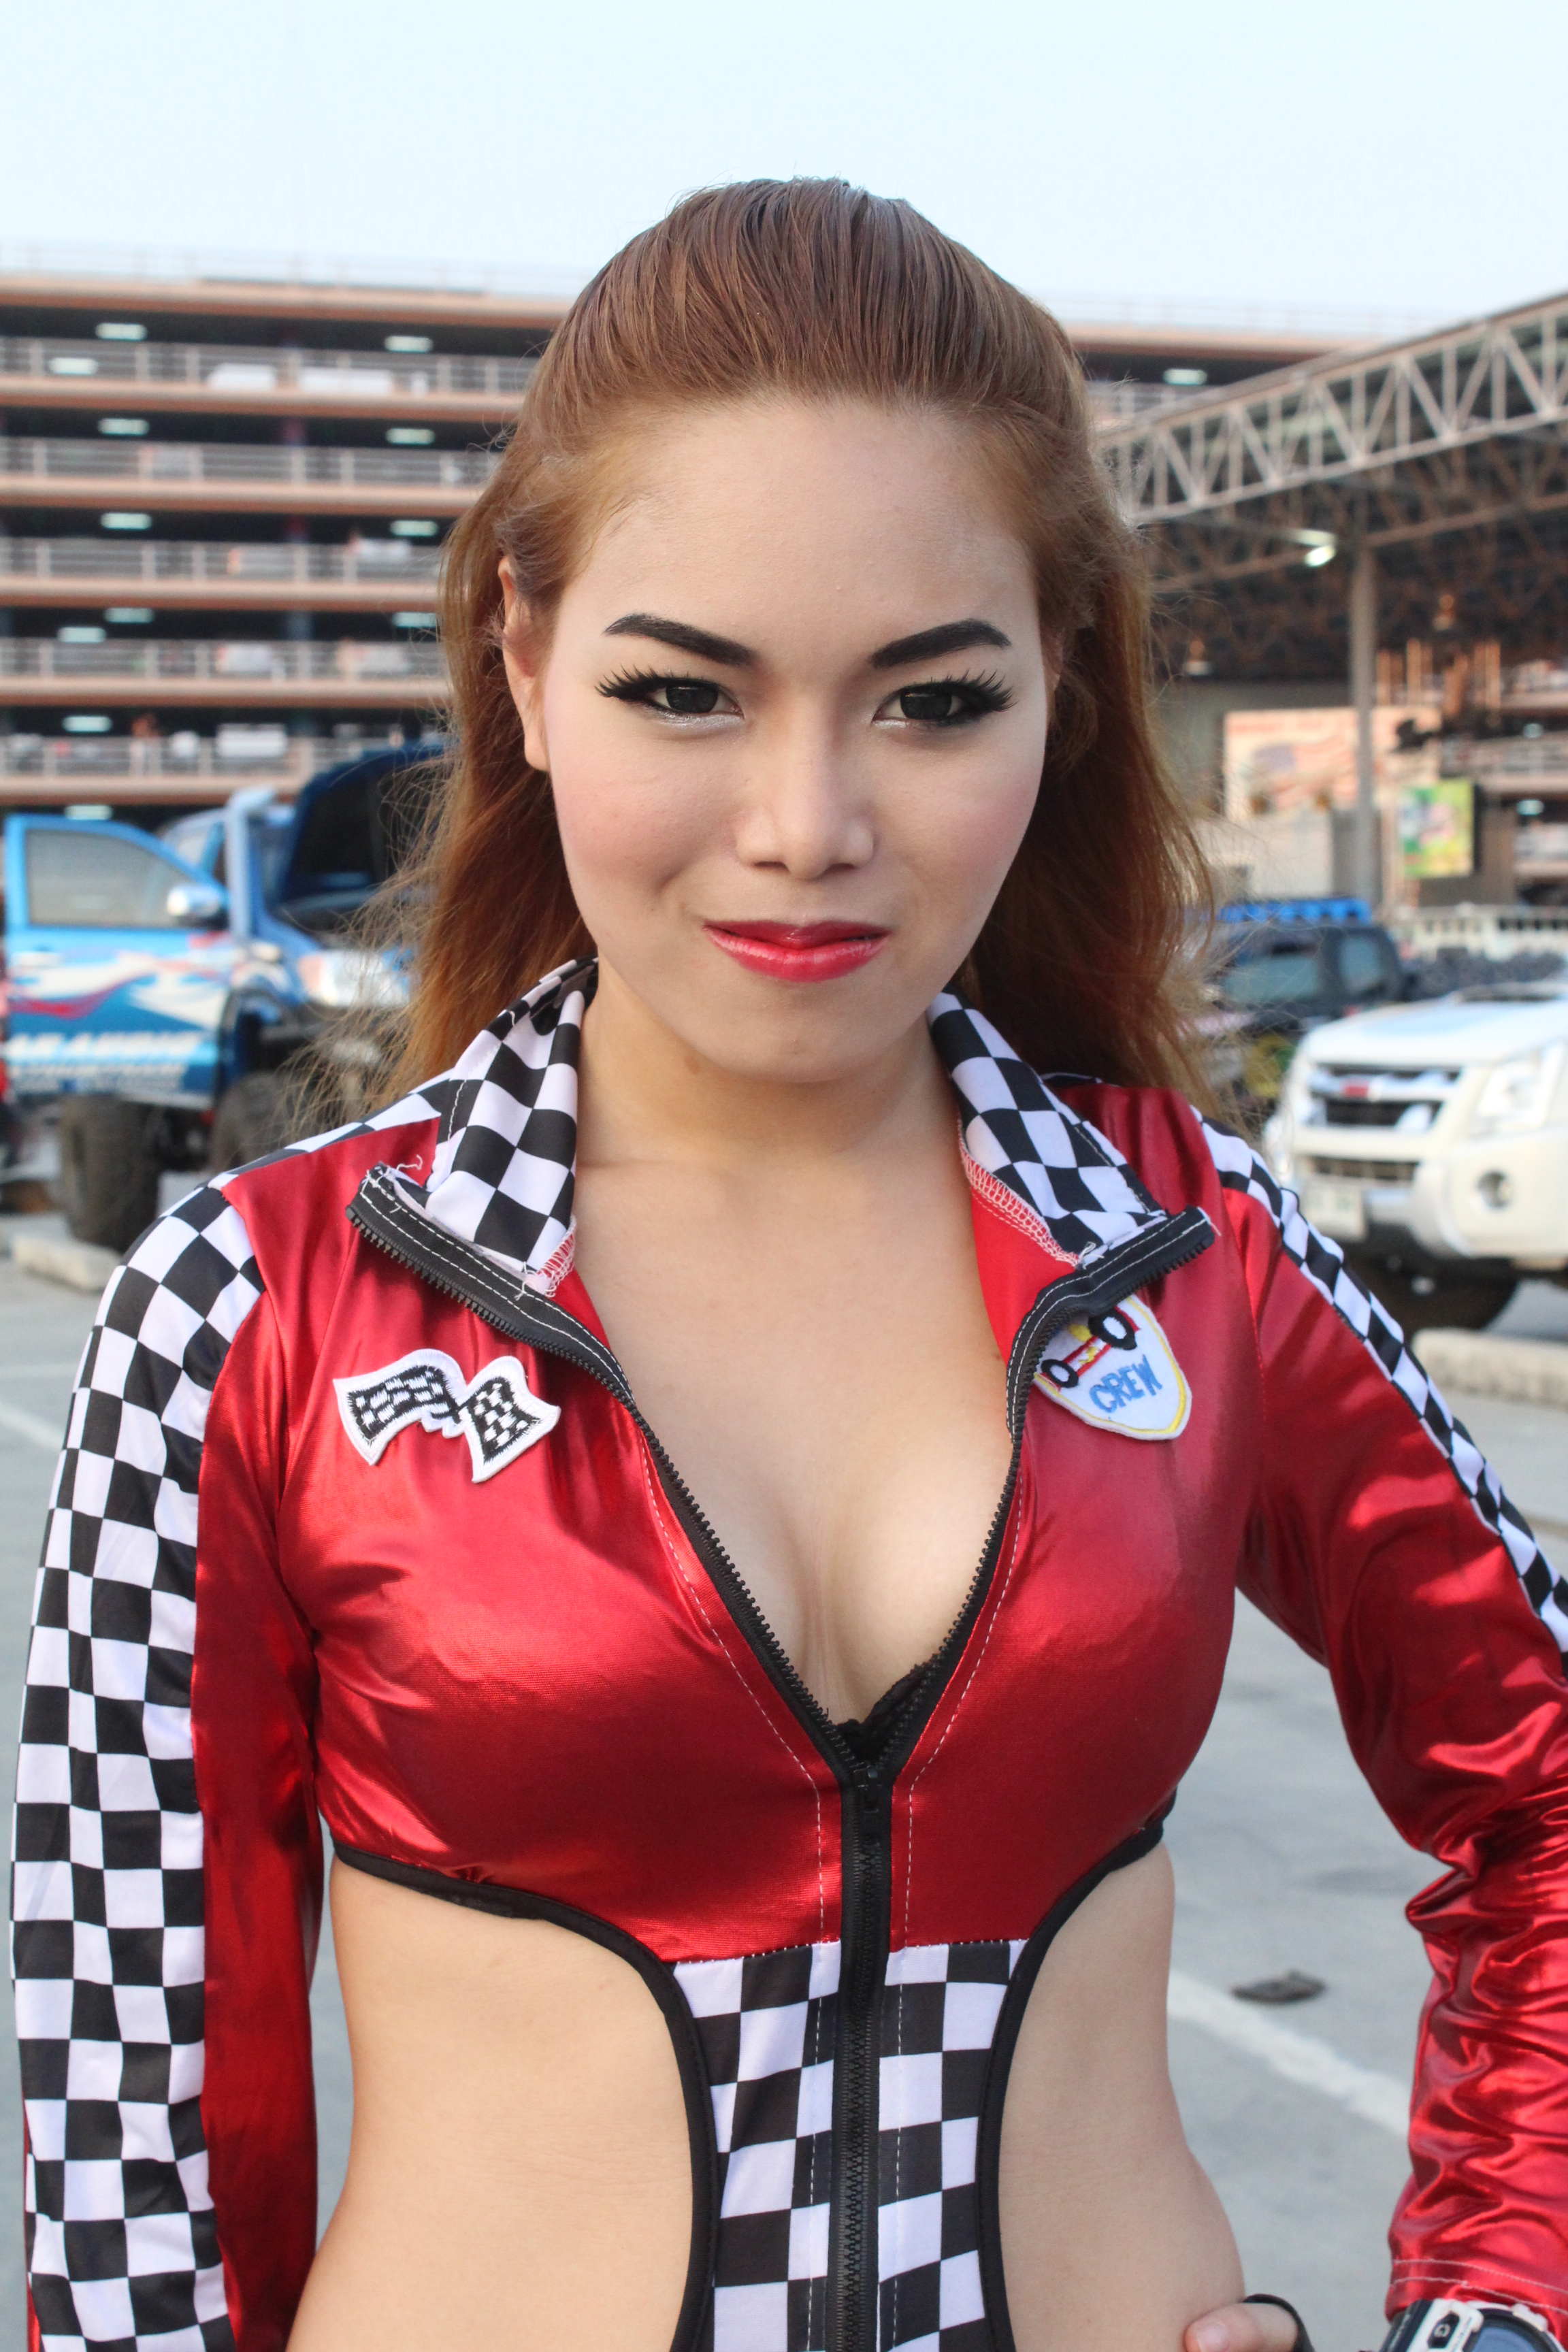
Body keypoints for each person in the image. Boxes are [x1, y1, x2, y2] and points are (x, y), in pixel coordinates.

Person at [12, 181, 1568, 2352]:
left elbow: (1547, 1791)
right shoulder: (260, 1298)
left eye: (931, 703)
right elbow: (130, 2100)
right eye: (685, 692)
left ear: (1060, 690)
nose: (807, 825)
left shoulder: (1195, 1243)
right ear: (525, 664)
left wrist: (1493, 2311)